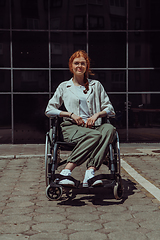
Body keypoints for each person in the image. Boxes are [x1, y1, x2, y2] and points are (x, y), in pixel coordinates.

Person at [45, 50, 115, 188]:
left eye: (83, 63)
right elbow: (49, 110)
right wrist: (70, 114)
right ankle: (66, 172)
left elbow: (110, 109)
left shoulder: (96, 85)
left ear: (86, 67)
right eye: (76, 63)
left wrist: (96, 115)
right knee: (95, 135)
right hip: (72, 127)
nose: (79, 66)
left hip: (94, 126)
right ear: (71, 66)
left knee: (109, 129)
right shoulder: (64, 86)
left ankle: (90, 174)